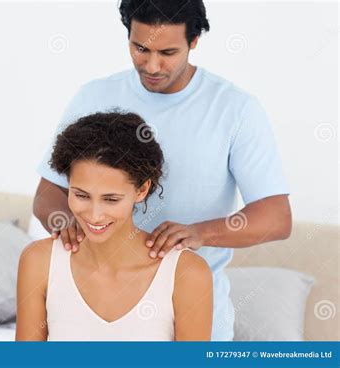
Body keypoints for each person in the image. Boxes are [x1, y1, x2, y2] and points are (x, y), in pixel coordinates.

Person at [33, 0, 292, 341]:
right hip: (94, 315)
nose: (152, 65)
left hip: (194, 315)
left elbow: (276, 217)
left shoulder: (235, 109)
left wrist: (201, 233)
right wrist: (65, 223)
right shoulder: (93, 96)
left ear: (194, 42)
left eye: (168, 52)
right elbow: (48, 194)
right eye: (140, 48)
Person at [16, 112, 213, 341]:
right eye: (81, 195)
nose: (94, 215)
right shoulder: (39, 261)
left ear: (141, 190)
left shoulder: (187, 273)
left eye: (111, 199)